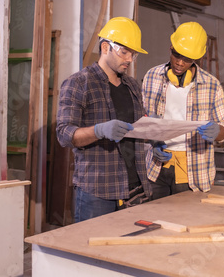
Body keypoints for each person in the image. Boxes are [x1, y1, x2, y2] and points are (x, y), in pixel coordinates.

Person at [56, 17, 152, 222]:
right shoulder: (78, 83)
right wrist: (98, 131)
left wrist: (155, 142)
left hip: (135, 187)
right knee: (90, 252)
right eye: (124, 52)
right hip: (97, 192)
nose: (129, 59)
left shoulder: (133, 86)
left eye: (133, 54)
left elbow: (137, 127)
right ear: (106, 47)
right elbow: (64, 134)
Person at [142, 21, 224, 199]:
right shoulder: (152, 77)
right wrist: (152, 143)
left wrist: (217, 131)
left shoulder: (211, 85)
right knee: (154, 219)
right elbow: (143, 120)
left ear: (196, 60)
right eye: (177, 55)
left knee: (186, 220)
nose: (180, 63)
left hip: (194, 170)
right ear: (171, 47)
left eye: (188, 59)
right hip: (156, 167)